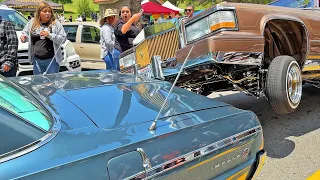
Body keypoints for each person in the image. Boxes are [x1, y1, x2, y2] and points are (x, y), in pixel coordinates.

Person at [20, 1, 67, 75]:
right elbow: (25, 33)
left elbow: (63, 39)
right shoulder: (32, 22)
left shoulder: (55, 23)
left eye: (49, 11)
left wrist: (50, 35)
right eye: (44, 11)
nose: (47, 13)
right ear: (39, 13)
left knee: (51, 84)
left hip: (52, 61)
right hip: (37, 60)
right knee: (38, 84)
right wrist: (24, 37)